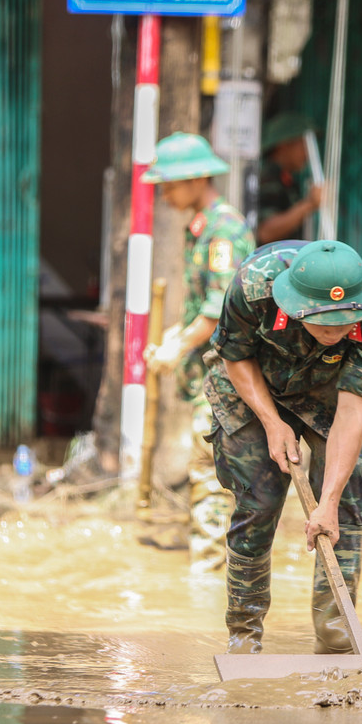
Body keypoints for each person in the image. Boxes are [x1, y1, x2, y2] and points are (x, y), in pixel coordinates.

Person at [206, 239, 362, 654]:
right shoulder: (253, 286)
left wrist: (326, 500)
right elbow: (234, 355)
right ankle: (244, 631)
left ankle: (335, 627)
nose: (333, 332)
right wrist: (272, 422)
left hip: (329, 391)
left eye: (343, 322)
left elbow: (352, 408)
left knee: (344, 501)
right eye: (322, 322)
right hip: (253, 385)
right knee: (259, 497)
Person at [141, 133, 254, 569]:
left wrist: (178, 345)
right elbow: (201, 307)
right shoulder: (201, 228)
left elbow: (219, 309)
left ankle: (209, 563)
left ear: (196, 179)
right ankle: (212, 558)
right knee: (207, 462)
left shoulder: (222, 230)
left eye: (169, 184)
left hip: (226, 373)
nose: (165, 194)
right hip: (210, 369)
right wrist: (175, 335)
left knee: (208, 466)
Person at [257, 112, 323, 244]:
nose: (307, 154)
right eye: (303, 145)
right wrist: (309, 204)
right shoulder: (268, 179)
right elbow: (265, 232)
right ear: (284, 145)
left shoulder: (286, 180)